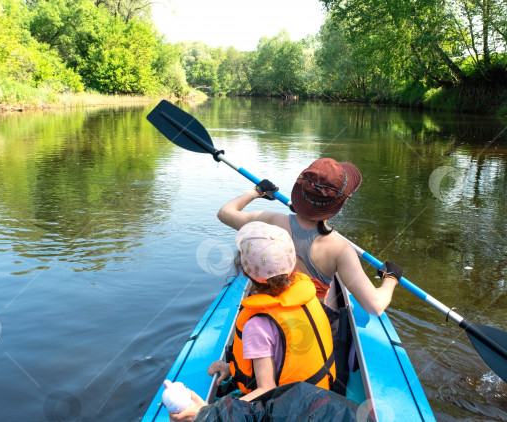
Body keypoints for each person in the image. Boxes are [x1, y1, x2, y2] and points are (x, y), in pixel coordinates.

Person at [169, 222, 335, 422]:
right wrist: (233, 368)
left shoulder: (257, 325)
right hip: (320, 400)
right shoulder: (307, 296)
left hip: (291, 413)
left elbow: (267, 389)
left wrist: (208, 413)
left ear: (246, 273)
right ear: (291, 265)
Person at [217, 158, 403, 317]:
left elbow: (225, 213)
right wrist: (391, 278)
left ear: (300, 192)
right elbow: (375, 306)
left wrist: (256, 192)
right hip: (307, 325)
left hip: (268, 317)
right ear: (343, 202)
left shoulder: (270, 221)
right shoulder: (340, 249)